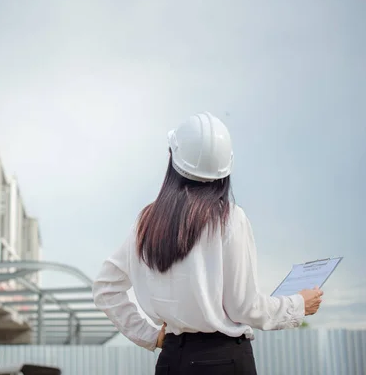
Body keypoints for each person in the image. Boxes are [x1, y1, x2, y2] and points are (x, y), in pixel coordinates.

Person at [92, 112, 324, 374]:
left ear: (173, 158)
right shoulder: (230, 219)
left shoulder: (147, 221)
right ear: (226, 168)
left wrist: (150, 335)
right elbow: (244, 307)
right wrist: (298, 305)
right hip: (225, 360)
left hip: (171, 360)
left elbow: (105, 288)